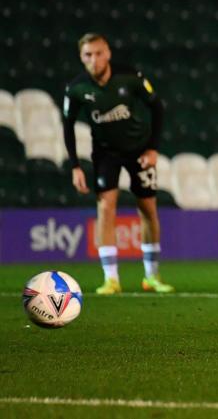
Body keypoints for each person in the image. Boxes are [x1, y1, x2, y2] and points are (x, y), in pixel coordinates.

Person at [62, 33, 173, 295]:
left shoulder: (130, 77)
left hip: (139, 150)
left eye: (99, 53)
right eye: (88, 55)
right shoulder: (77, 89)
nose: (94, 59)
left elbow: (157, 108)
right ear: (81, 57)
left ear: (108, 53)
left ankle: (151, 276)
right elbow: (67, 127)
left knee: (147, 208)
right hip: (105, 153)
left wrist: (153, 149)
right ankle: (111, 278)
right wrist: (75, 166)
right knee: (106, 208)